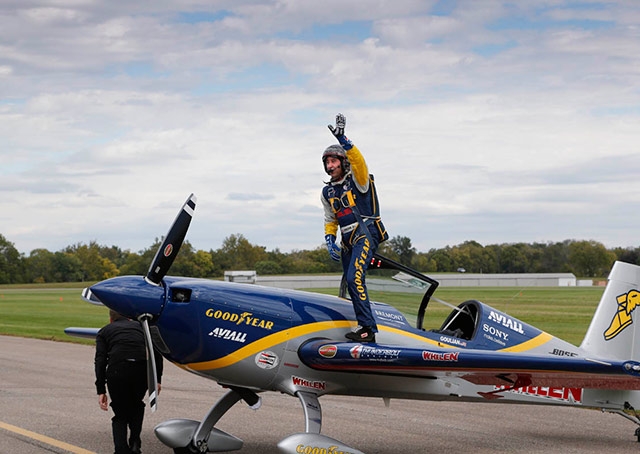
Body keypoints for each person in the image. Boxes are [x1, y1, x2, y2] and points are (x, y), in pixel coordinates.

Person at [321, 113, 388, 343]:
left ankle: (368, 329)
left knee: (354, 279)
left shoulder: (358, 180)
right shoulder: (327, 192)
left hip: (364, 234)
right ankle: (363, 325)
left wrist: (344, 140)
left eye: (334, 161)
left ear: (342, 161)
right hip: (347, 240)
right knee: (351, 282)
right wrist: (330, 240)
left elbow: (359, 162)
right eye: (327, 163)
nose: (330, 166)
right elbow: (331, 219)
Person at [95, 310, 163, 454]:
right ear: (128, 318)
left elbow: (100, 361)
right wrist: (156, 379)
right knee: (136, 405)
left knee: (120, 413)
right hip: (140, 370)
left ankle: (121, 449)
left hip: (117, 371)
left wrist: (101, 389)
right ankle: (135, 443)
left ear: (111, 319)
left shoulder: (104, 331)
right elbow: (156, 352)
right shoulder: (141, 327)